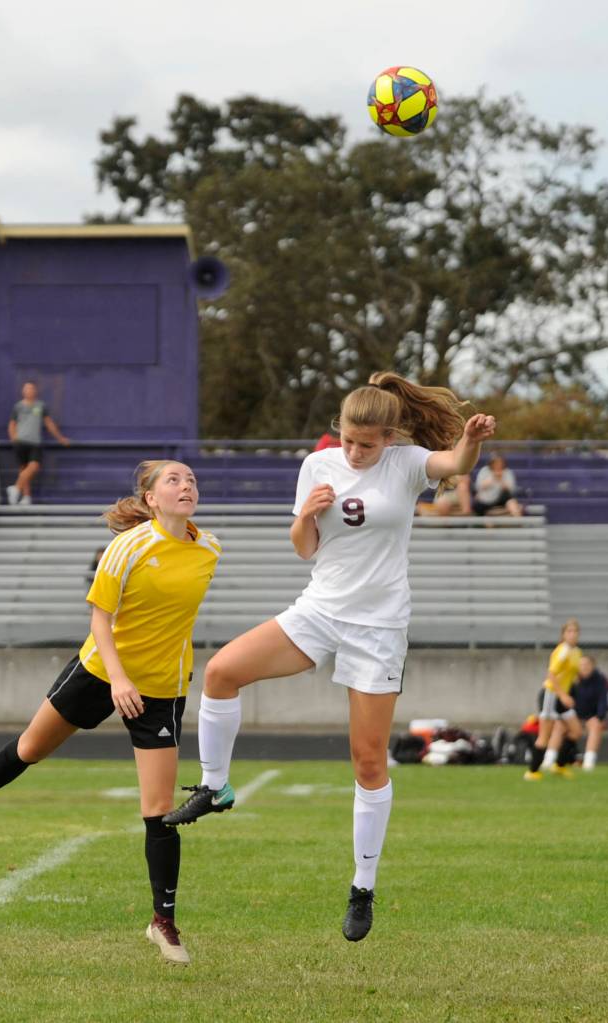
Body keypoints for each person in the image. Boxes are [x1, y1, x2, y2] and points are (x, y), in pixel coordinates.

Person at [163, 371, 496, 943]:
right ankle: (214, 787)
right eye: (347, 440)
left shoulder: (407, 461)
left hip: (379, 628)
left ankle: (363, 886)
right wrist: (304, 513)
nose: (355, 451)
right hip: (318, 610)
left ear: (388, 437)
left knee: (367, 762)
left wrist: (472, 439)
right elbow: (304, 548)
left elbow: (455, 465)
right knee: (219, 672)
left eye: (367, 444)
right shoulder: (317, 467)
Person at [0, 460, 222, 965]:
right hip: (100, 672)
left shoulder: (210, 549)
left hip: (163, 688)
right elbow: (100, 620)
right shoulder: (127, 547)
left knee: (160, 810)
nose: (186, 485)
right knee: (30, 748)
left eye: (191, 479)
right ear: (151, 498)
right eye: (173, 480)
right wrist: (120, 679)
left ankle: (163, 923)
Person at [524, 619, 583, 780]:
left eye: (575, 631)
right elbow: (551, 674)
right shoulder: (562, 651)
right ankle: (532, 771)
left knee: (576, 731)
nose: (572, 634)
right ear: (563, 635)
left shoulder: (577, 652)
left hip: (562, 697)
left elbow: (570, 674)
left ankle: (559, 765)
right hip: (551, 695)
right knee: (545, 735)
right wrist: (563, 695)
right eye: (569, 631)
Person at [7, 380, 70, 505]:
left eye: (31, 388)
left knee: (34, 467)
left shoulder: (40, 406)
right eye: (27, 388)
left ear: (35, 391)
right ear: (23, 391)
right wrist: (13, 438)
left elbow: (49, 423)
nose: (29, 391)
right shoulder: (18, 406)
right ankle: (26, 496)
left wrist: (60, 438)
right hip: (21, 442)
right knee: (23, 470)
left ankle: (15, 488)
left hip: (35, 442)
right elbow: (12, 424)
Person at [568, 654, 608, 771]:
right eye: (581, 665)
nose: (584, 667)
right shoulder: (572, 680)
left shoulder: (601, 680)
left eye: (587, 664)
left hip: (591, 717)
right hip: (573, 717)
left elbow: (603, 700)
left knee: (596, 726)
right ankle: (551, 759)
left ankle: (588, 761)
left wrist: (599, 717)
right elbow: (566, 701)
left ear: (593, 666)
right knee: (559, 726)